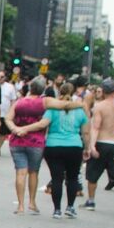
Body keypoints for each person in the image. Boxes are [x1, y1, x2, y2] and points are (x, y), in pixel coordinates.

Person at [83, 79, 114, 216]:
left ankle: (91, 201)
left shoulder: (100, 106)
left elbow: (96, 127)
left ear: (103, 91)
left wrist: (91, 146)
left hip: (102, 143)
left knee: (93, 174)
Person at [42, 86, 91, 218]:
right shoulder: (80, 111)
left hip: (54, 145)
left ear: (59, 93)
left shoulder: (52, 109)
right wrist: (87, 147)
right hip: (74, 146)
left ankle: (57, 210)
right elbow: (86, 132)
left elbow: (44, 125)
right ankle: (70, 206)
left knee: (57, 179)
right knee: (72, 178)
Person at [5, 74, 49, 215]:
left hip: (17, 140)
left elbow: (8, 118)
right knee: (33, 172)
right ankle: (32, 202)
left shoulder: (19, 102)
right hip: (36, 141)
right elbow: (45, 122)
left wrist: (15, 129)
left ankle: (20, 205)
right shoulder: (43, 104)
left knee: (20, 172)